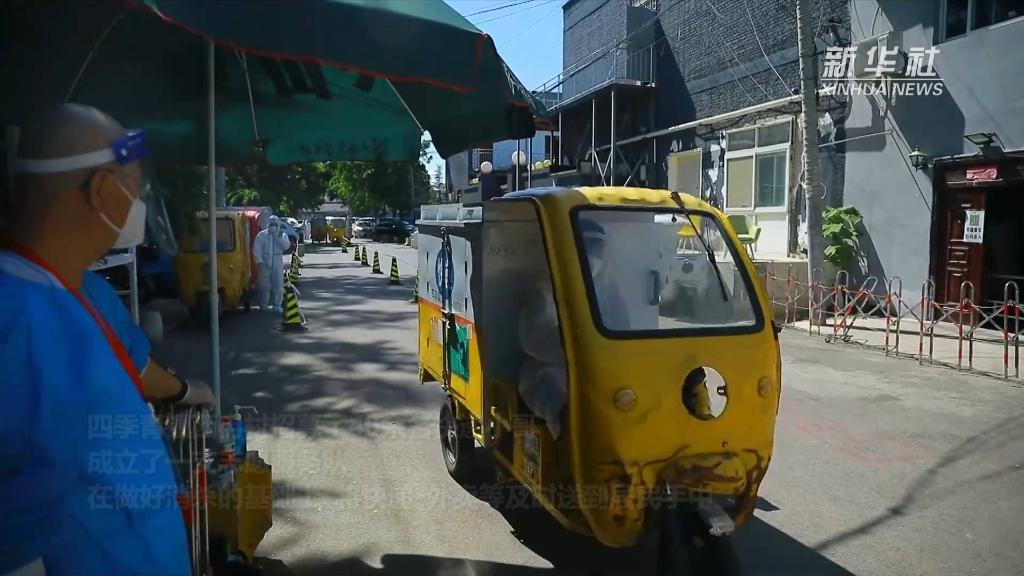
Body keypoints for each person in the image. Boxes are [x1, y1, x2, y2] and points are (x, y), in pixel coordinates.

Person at [0, 103, 207, 575]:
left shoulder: (81, 291)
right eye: (135, 187)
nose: (140, 203)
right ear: (101, 189)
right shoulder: (13, 315)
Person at [580, 218, 632, 330]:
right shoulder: (552, 285)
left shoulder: (609, 289)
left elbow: (623, 325)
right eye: (587, 247)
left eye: (597, 249)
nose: (592, 256)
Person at [253, 214, 289, 312]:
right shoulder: (262, 235)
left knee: (278, 284)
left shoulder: (282, 235)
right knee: (264, 285)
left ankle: (277, 305)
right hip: (265, 261)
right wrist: (259, 261)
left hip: (277, 260)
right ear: (268, 224)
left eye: (275, 224)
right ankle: (263, 305)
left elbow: (286, 246)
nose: (273, 226)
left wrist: (278, 237)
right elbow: (257, 249)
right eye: (271, 223)